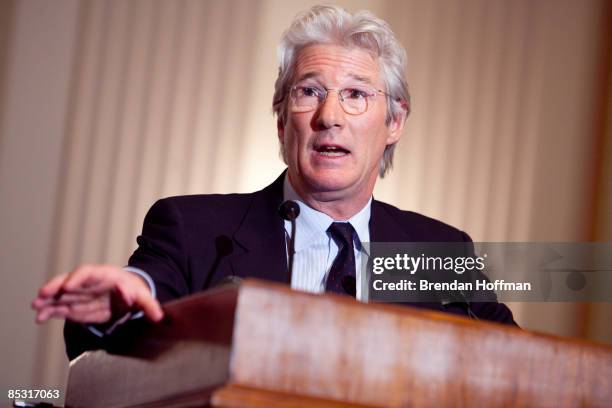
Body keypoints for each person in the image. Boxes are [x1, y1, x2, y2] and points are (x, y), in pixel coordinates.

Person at [32, 5, 516, 360]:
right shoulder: (194, 228)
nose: (330, 117)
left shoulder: (439, 249)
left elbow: (515, 363)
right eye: (310, 92)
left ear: (394, 122)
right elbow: (135, 313)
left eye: (355, 95)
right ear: (283, 121)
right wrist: (122, 299)